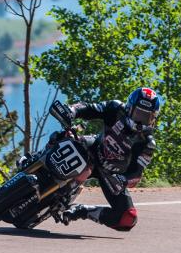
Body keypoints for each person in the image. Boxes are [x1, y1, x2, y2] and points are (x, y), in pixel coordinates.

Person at [60, 87, 163, 232]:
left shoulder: (147, 143)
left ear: (154, 118)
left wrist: (124, 180)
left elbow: (136, 173)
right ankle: (33, 160)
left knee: (128, 218)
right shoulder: (115, 108)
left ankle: (83, 211)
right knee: (66, 136)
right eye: (139, 114)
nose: (141, 121)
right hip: (93, 149)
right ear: (129, 108)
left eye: (147, 117)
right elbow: (89, 108)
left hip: (112, 175)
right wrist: (72, 110)